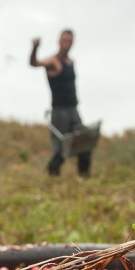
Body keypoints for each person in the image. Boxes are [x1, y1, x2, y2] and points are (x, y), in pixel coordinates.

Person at [30, 29, 91, 177]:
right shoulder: (53, 61)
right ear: (59, 41)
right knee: (60, 149)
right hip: (59, 111)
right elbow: (34, 63)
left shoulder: (71, 62)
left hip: (73, 110)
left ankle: (84, 178)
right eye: (64, 40)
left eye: (69, 41)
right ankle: (53, 177)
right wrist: (35, 48)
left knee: (85, 143)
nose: (67, 44)